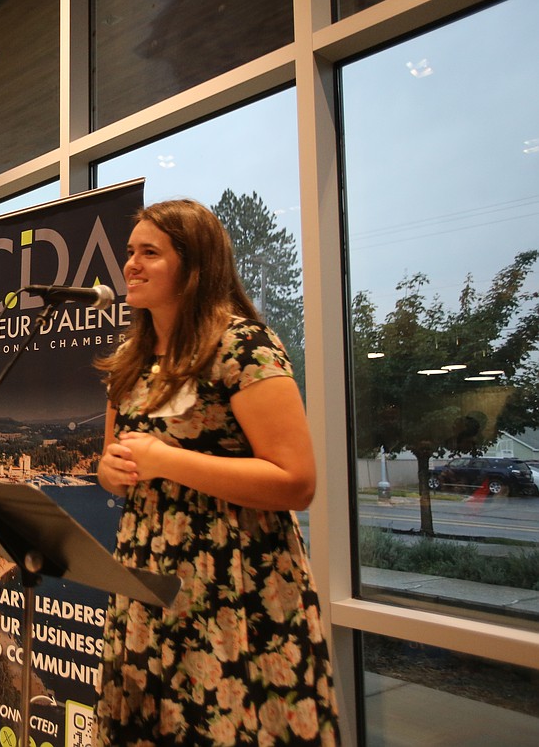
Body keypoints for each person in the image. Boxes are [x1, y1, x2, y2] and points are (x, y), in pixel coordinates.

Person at [92, 199, 338, 745]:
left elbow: (297, 481)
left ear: (194, 265)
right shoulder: (130, 357)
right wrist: (112, 470)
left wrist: (166, 460)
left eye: (149, 253)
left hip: (234, 582)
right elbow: (114, 467)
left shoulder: (242, 345)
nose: (130, 264)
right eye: (130, 252)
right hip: (147, 577)